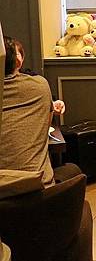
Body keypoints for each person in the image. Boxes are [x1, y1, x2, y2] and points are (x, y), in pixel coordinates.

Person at [0, 36, 64, 187]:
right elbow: (44, 126)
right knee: (71, 170)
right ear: (18, 62)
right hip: (37, 187)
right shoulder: (39, 85)